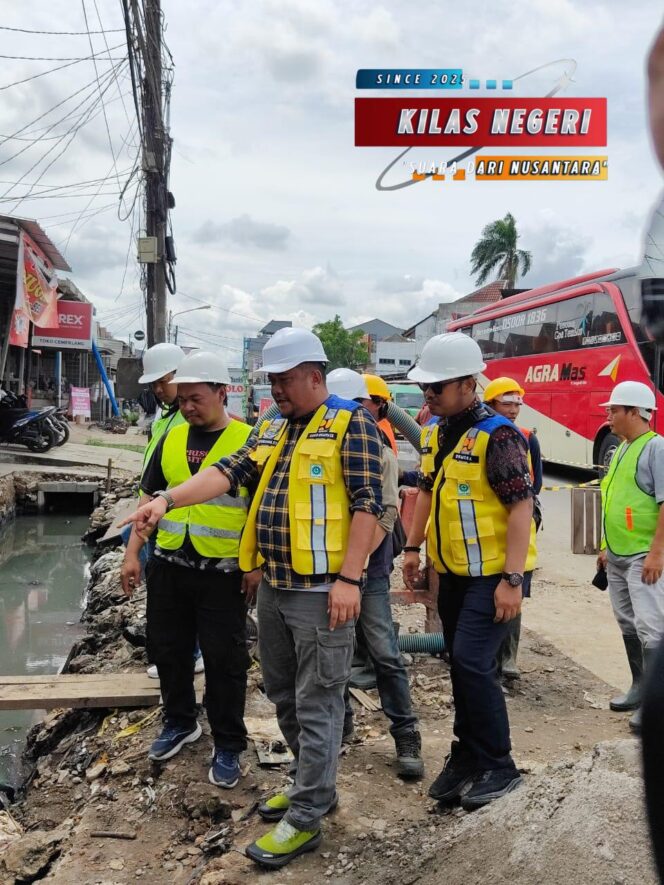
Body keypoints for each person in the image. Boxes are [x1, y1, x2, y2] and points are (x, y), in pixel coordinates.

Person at [119, 327, 383, 870]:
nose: (277, 390)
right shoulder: (273, 427)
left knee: (318, 701)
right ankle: (312, 786)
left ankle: (307, 816)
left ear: (315, 376)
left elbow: (370, 504)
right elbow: (228, 471)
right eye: (272, 382)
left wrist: (351, 579)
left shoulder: (350, 424)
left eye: (285, 381)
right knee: (284, 691)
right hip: (278, 588)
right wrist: (165, 501)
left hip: (323, 593)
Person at [403, 332, 537, 811]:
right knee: (459, 664)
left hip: (493, 576)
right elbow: (424, 492)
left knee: (475, 664)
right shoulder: (436, 433)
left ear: (467, 384)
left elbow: (521, 509)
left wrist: (513, 580)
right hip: (454, 574)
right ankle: (466, 755)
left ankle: (499, 764)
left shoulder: (498, 435)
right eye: (426, 389)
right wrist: (413, 549)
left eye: (437, 388)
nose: (429, 396)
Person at [120, 351, 256, 789]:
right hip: (169, 564)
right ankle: (180, 721)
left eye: (196, 398)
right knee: (168, 649)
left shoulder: (249, 441)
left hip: (224, 572)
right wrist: (132, 554)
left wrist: (254, 566)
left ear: (222, 392)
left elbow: (259, 510)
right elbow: (148, 499)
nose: (188, 407)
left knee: (225, 660)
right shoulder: (171, 439)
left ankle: (230, 743)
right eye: (182, 401)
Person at [327, 369, 423, 779]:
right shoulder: (318, 443)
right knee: (332, 654)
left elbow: (383, 514)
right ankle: (341, 724)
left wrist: (355, 570)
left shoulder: (379, 450)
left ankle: (406, 735)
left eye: (361, 405)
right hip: (325, 573)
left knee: (384, 652)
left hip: (369, 572)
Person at [596, 381, 664, 733]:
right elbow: (615, 499)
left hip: (644, 556)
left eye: (614, 410)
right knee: (627, 623)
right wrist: (605, 546)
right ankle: (639, 686)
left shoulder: (656, 449)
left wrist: (657, 553)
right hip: (620, 554)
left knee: (652, 628)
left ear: (634, 412)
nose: (608, 416)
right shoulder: (621, 448)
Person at [483, 376, 543, 680]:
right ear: (491, 403)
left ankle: (509, 660)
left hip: (519, 529)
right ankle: (491, 660)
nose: (514, 409)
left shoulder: (527, 437)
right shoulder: (480, 434)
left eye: (518, 403)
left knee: (515, 594)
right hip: (486, 535)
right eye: (507, 402)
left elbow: (537, 485)